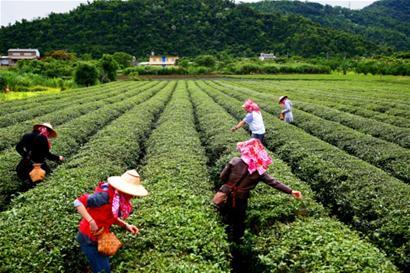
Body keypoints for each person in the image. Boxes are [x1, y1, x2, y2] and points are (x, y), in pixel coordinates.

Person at [217, 138, 302, 242]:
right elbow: (273, 182)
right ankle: (236, 241)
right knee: (238, 220)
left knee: (223, 215)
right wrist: (291, 191)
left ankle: (222, 239)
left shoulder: (234, 161)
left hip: (226, 193)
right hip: (241, 199)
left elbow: (222, 177)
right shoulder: (258, 171)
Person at [74, 169, 148, 273]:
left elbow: (111, 216)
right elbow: (77, 202)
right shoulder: (103, 196)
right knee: (103, 269)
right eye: (131, 193)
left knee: (105, 264)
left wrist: (126, 225)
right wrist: (91, 221)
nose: (132, 196)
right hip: (88, 236)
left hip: (102, 234)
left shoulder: (118, 200)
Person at [15, 122, 64, 187]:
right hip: (38, 166)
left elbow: (18, 148)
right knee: (48, 179)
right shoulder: (43, 138)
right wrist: (58, 158)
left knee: (30, 183)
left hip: (26, 164)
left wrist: (26, 156)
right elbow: (47, 155)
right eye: (49, 132)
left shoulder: (27, 135)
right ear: (47, 130)